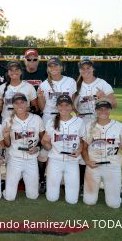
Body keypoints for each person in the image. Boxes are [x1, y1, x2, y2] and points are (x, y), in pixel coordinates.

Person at [74, 59, 117, 193]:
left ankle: (102, 179)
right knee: (82, 150)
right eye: (83, 68)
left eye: (88, 68)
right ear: (79, 70)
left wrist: (104, 97)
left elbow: (115, 104)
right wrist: (76, 112)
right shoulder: (77, 85)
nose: (86, 70)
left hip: (98, 120)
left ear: (93, 69)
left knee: (98, 150)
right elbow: (72, 104)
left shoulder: (102, 83)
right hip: (82, 122)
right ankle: (82, 184)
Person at [37, 57, 77, 194]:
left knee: (65, 144)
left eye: (56, 66)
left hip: (65, 115)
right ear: (48, 68)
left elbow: (71, 102)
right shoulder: (44, 84)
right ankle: (41, 179)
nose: (54, 68)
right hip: (49, 116)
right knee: (44, 151)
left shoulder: (70, 81)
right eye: (51, 66)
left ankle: (66, 178)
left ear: (61, 67)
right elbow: (42, 108)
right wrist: (41, 98)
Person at [81, 99, 122, 208]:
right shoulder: (89, 126)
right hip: (94, 166)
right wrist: (87, 161)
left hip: (112, 166)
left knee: (114, 204)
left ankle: (117, 193)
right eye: (100, 109)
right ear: (96, 111)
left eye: (106, 109)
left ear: (110, 110)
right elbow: (84, 148)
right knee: (89, 201)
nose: (103, 111)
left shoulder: (119, 126)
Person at [41, 95, 85, 204]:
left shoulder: (79, 121)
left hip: (72, 161)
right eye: (60, 105)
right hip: (55, 160)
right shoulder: (51, 122)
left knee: (72, 200)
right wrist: (47, 145)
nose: (63, 108)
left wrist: (79, 150)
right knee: (51, 198)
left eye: (67, 105)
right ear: (57, 107)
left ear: (71, 107)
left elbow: (83, 140)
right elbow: (44, 141)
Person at [2, 94, 44, 201]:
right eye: (16, 103)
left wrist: (37, 148)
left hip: (31, 159)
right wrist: (6, 136)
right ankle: (9, 185)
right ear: (13, 105)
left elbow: (43, 140)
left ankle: (30, 182)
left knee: (33, 196)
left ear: (27, 103)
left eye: (22, 102)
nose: (20, 105)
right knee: (9, 197)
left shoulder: (37, 119)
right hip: (15, 159)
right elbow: (7, 144)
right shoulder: (8, 120)